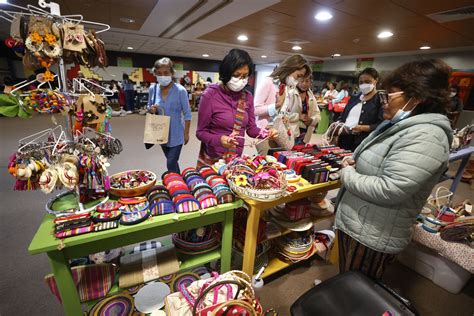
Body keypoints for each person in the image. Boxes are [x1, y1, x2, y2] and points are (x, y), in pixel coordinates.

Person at [334, 59, 453, 279]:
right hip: (363, 222)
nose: (384, 102)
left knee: (357, 288)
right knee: (348, 279)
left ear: (416, 98)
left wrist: (347, 174)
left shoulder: (426, 136)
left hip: (373, 231)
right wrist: (357, 161)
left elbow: (391, 188)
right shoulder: (402, 126)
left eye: (390, 96)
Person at [196, 48, 277, 167]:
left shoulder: (247, 97)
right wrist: (220, 139)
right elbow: (201, 132)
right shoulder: (210, 95)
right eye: (236, 75)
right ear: (226, 73)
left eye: (245, 76)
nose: (241, 80)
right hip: (214, 159)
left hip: (235, 159)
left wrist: (266, 133)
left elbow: (251, 128)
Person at [253, 54, 311, 155]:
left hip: (280, 134)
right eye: (298, 76)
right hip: (266, 133)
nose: (297, 81)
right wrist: (276, 105)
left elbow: (283, 112)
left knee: (278, 166)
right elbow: (255, 110)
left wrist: (285, 117)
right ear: (290, 68)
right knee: (267, 166)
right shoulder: (268, 82)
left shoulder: (288, 88)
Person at [147, 57, 192, 173]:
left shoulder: (180, 90)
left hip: (177, 133)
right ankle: (180, 183)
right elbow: (148, 106)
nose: (162, 76)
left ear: (172, 73)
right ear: (155, 74)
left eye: (166, 73)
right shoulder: (153, 89)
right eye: (159, 73)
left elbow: (187, 113)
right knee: (172, 162)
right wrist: (151, 109)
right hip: (161, 133)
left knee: (170, 162)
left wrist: (186, 133)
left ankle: (175, 184)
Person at [334, 68, 384, 151]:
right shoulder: (354, 98)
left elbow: (383, 123)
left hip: (363, 142)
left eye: (367, 82)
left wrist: (364, 128)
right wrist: (338, 125)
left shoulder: (380, 100)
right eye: (361, 82)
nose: (364, 84)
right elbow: (343, 115)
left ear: (376, 81)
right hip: (345, 138)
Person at [295, 74, 320, 144]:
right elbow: (282, 113)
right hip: (291, 131)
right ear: (297, 81)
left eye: (307, 81)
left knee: (300, 152)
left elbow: (317, 114)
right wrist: (298, 117)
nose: (304, 84)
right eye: (301, 81)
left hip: (305, 132)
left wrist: (311, 120)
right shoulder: (290, 93)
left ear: (310, 82)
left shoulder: (311, 96)